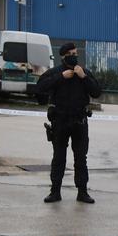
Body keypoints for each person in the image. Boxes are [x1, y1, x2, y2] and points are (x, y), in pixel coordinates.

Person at [34, 42, 101, 204]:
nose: (74, 56)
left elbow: (97, 92)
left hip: (79, 121)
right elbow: (40, 87)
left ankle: (82, 192)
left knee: (81, 158)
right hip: (60, 121)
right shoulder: (56, 72)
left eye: (75, 53)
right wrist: (60, 77)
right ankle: (55, 192)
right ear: (63, 56)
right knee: (59, 158)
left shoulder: (83, 72)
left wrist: (84, 77)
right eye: (70, 54)